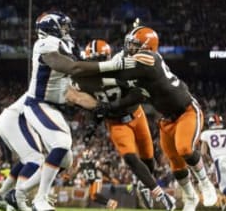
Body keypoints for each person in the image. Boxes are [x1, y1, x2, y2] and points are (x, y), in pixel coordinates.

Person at [22, 11, 136, 211]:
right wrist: (110, 64)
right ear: (52, 28)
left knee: (65, 159)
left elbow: (74, 93)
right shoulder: (45, 44)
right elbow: (73, 68)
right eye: (63, 26)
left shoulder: (66, 45)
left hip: (56, 104)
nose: (67, 30)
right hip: (38, 103)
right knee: (62, 143)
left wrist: (105, 107)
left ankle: (21, 191)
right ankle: (40, 198)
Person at [98, 26, 218, 211]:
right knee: (175, 162)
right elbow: (131, 93)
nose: (129, 47)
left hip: (186, 111)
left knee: (184, 147)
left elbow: (116, 69)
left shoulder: (150, 59)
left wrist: (91, 71)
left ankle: (205, 183)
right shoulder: (138, 70)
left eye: (134, 44)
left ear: (147, 46)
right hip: (167, 120)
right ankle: (190, 197)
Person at [74, 40, 175, 211]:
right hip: (116, 123)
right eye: (92, 61)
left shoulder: (121, 69)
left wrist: (111, 107)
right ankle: (159, 193)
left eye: (98, 59)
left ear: (107, 57)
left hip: (136, 115)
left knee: (149, 159)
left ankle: (144, 185)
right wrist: (94, 124)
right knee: (129, 157)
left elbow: (139, 95)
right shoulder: (85, 82)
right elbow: (98, 107)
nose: (95, 65)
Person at [200, 114, 226, 211]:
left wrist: (211, 162)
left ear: (210, 124)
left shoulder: (206, 133)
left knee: (224, 188)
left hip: (220, 161)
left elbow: (203, 153)